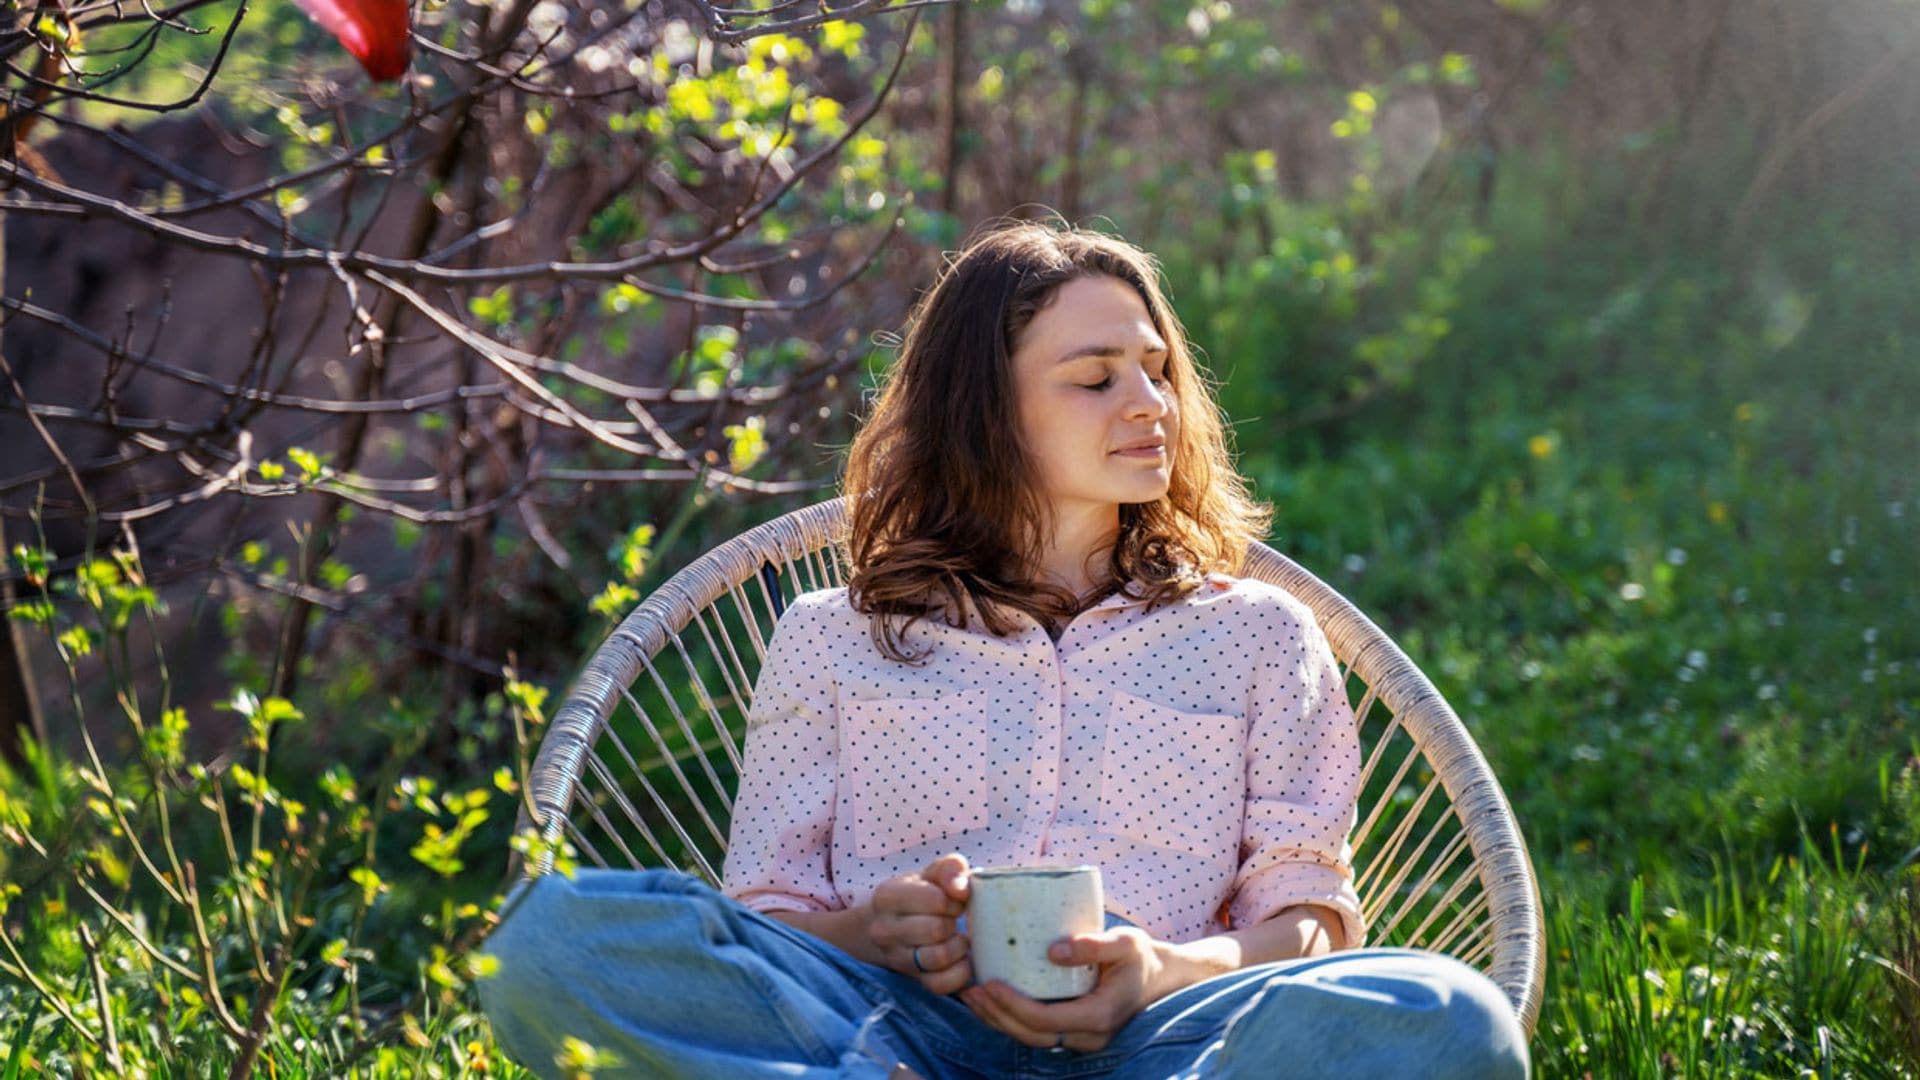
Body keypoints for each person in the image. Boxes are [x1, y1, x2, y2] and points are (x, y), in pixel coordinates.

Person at [478, 218, 1531, 1079]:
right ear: (986, 411)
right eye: (1096, 378)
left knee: (1449, 1015)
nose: (1150, 404)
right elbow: (768, 919)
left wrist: (1158, 969)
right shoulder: (832, 639)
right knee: (547, 940)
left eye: (1157, 371)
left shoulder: (1257, 633)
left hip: (1162, 1050)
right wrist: (874, 934)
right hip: (886, 1032)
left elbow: (1306, 927)